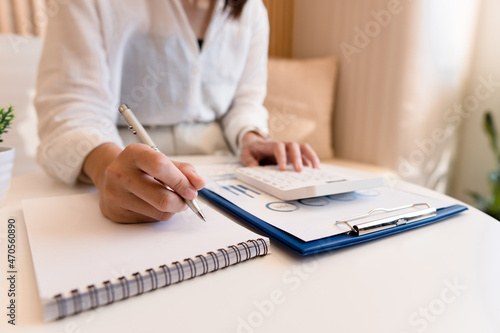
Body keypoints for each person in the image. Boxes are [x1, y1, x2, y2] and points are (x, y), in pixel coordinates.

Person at [35, 0, 320, 223]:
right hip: (117, 163)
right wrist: (107, 168)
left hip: (224, 173)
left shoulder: (252, 10)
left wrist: (253, 137)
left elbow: (245, 102)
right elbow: (71, 108)